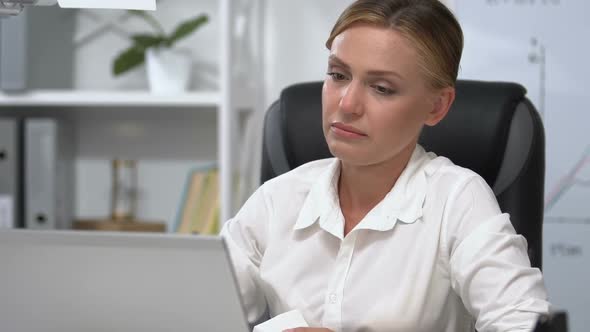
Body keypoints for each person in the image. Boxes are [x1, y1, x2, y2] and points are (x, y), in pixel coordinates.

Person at [220, 0, 550, 331]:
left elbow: (523, 323)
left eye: (382, 88)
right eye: (338, 75)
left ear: (437, 106)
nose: (347, 104)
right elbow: (198, 310)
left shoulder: (457, 200)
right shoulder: (276, 199)